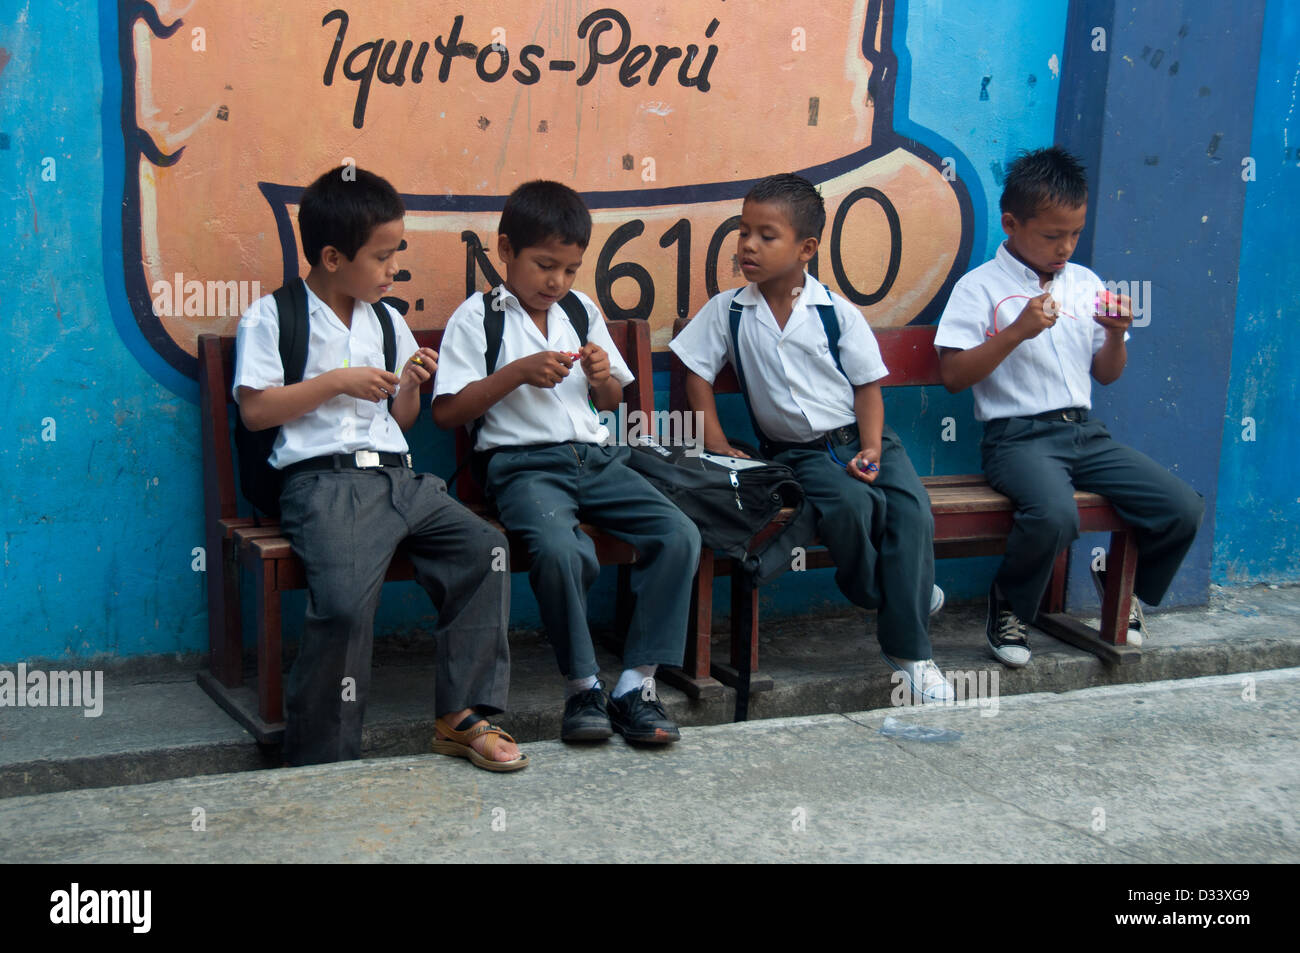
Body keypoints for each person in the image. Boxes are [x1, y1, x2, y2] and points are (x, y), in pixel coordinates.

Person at [234, 166, 525, 770]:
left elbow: (401, 419)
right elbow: (257, 410)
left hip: (399, 479)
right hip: (323, 483)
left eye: (398, 253)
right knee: (342, 604)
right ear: (333, 256)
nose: (394, 269)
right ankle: (322, 754)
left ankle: (462, 713)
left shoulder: (387, 320)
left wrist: (412, 384)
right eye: (383, 256)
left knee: (484, 550)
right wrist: (336, 381)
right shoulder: (274, 316)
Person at [432, 180, 701, 745]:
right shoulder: (478, 318)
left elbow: (609, 403)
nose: (556, 282)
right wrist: (516, 373)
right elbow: (449, 412)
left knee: (678, 534)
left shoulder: (579, 311)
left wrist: (602, 377)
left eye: (570, 269)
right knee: (560, 548)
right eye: (544, 265)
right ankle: (583, 687)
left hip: (596, 460)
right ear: (506, 250)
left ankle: (634, 685)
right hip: (522, 467)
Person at [670, 173, 952, 705]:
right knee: (846, 504)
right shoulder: (730, 310)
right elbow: (695, 374)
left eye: (766, 235)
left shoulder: (834, 313)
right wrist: (715, 440)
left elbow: (869, 387)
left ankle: (911, 651)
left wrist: (870, 447)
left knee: (913, 512)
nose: (748, 245)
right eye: (743, 232)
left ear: (806, 248)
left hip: (863, 438)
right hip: (798, 454)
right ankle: (898, 596)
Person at [934, 146, 1203, 667]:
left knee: (1180, 506)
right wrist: (1016, 331)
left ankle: (1120, 587)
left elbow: (1104, 373)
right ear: (1011, 224)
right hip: (1017, 439)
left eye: (1075, 234)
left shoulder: (1086, 283)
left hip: (1084, 434)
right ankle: (1010, 605)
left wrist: (1117, 337)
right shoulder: (979, 288)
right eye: (1053, 235)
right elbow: (952, 376)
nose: (1066, 247)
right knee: (1054, 514)